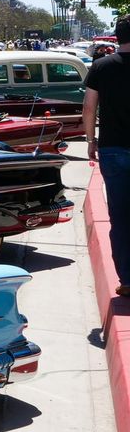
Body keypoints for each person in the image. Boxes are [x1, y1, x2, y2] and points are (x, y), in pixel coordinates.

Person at [84, 16, 130, 294]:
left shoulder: (101, 66)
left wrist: (91, 140)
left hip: (112, 148)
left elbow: (89, 107)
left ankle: (127, 279)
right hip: (114, 149)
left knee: (120, 216)